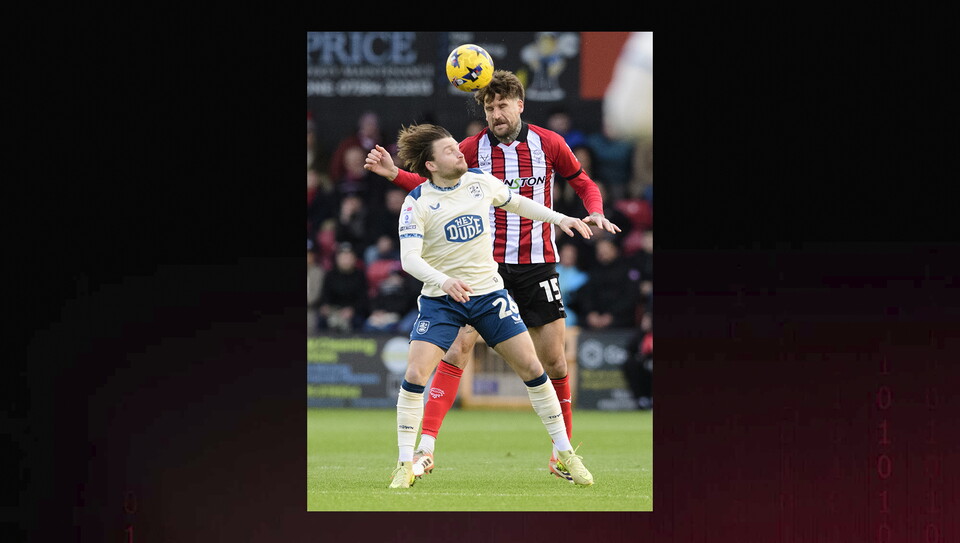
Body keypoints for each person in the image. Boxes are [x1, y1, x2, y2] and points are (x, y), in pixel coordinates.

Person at [365, 70, 620, 484]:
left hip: (537, 260)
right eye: (488, 107)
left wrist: (593, 209)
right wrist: (395, 174)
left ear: (520, 105)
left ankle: (561, 453)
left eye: (502, 105)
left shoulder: (549, 143)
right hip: (482, 266)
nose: (496, 114)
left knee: (552, 360)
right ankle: (424, 450)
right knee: (456, 352)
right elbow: (435, 183)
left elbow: (581, 180)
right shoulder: (469, 149)